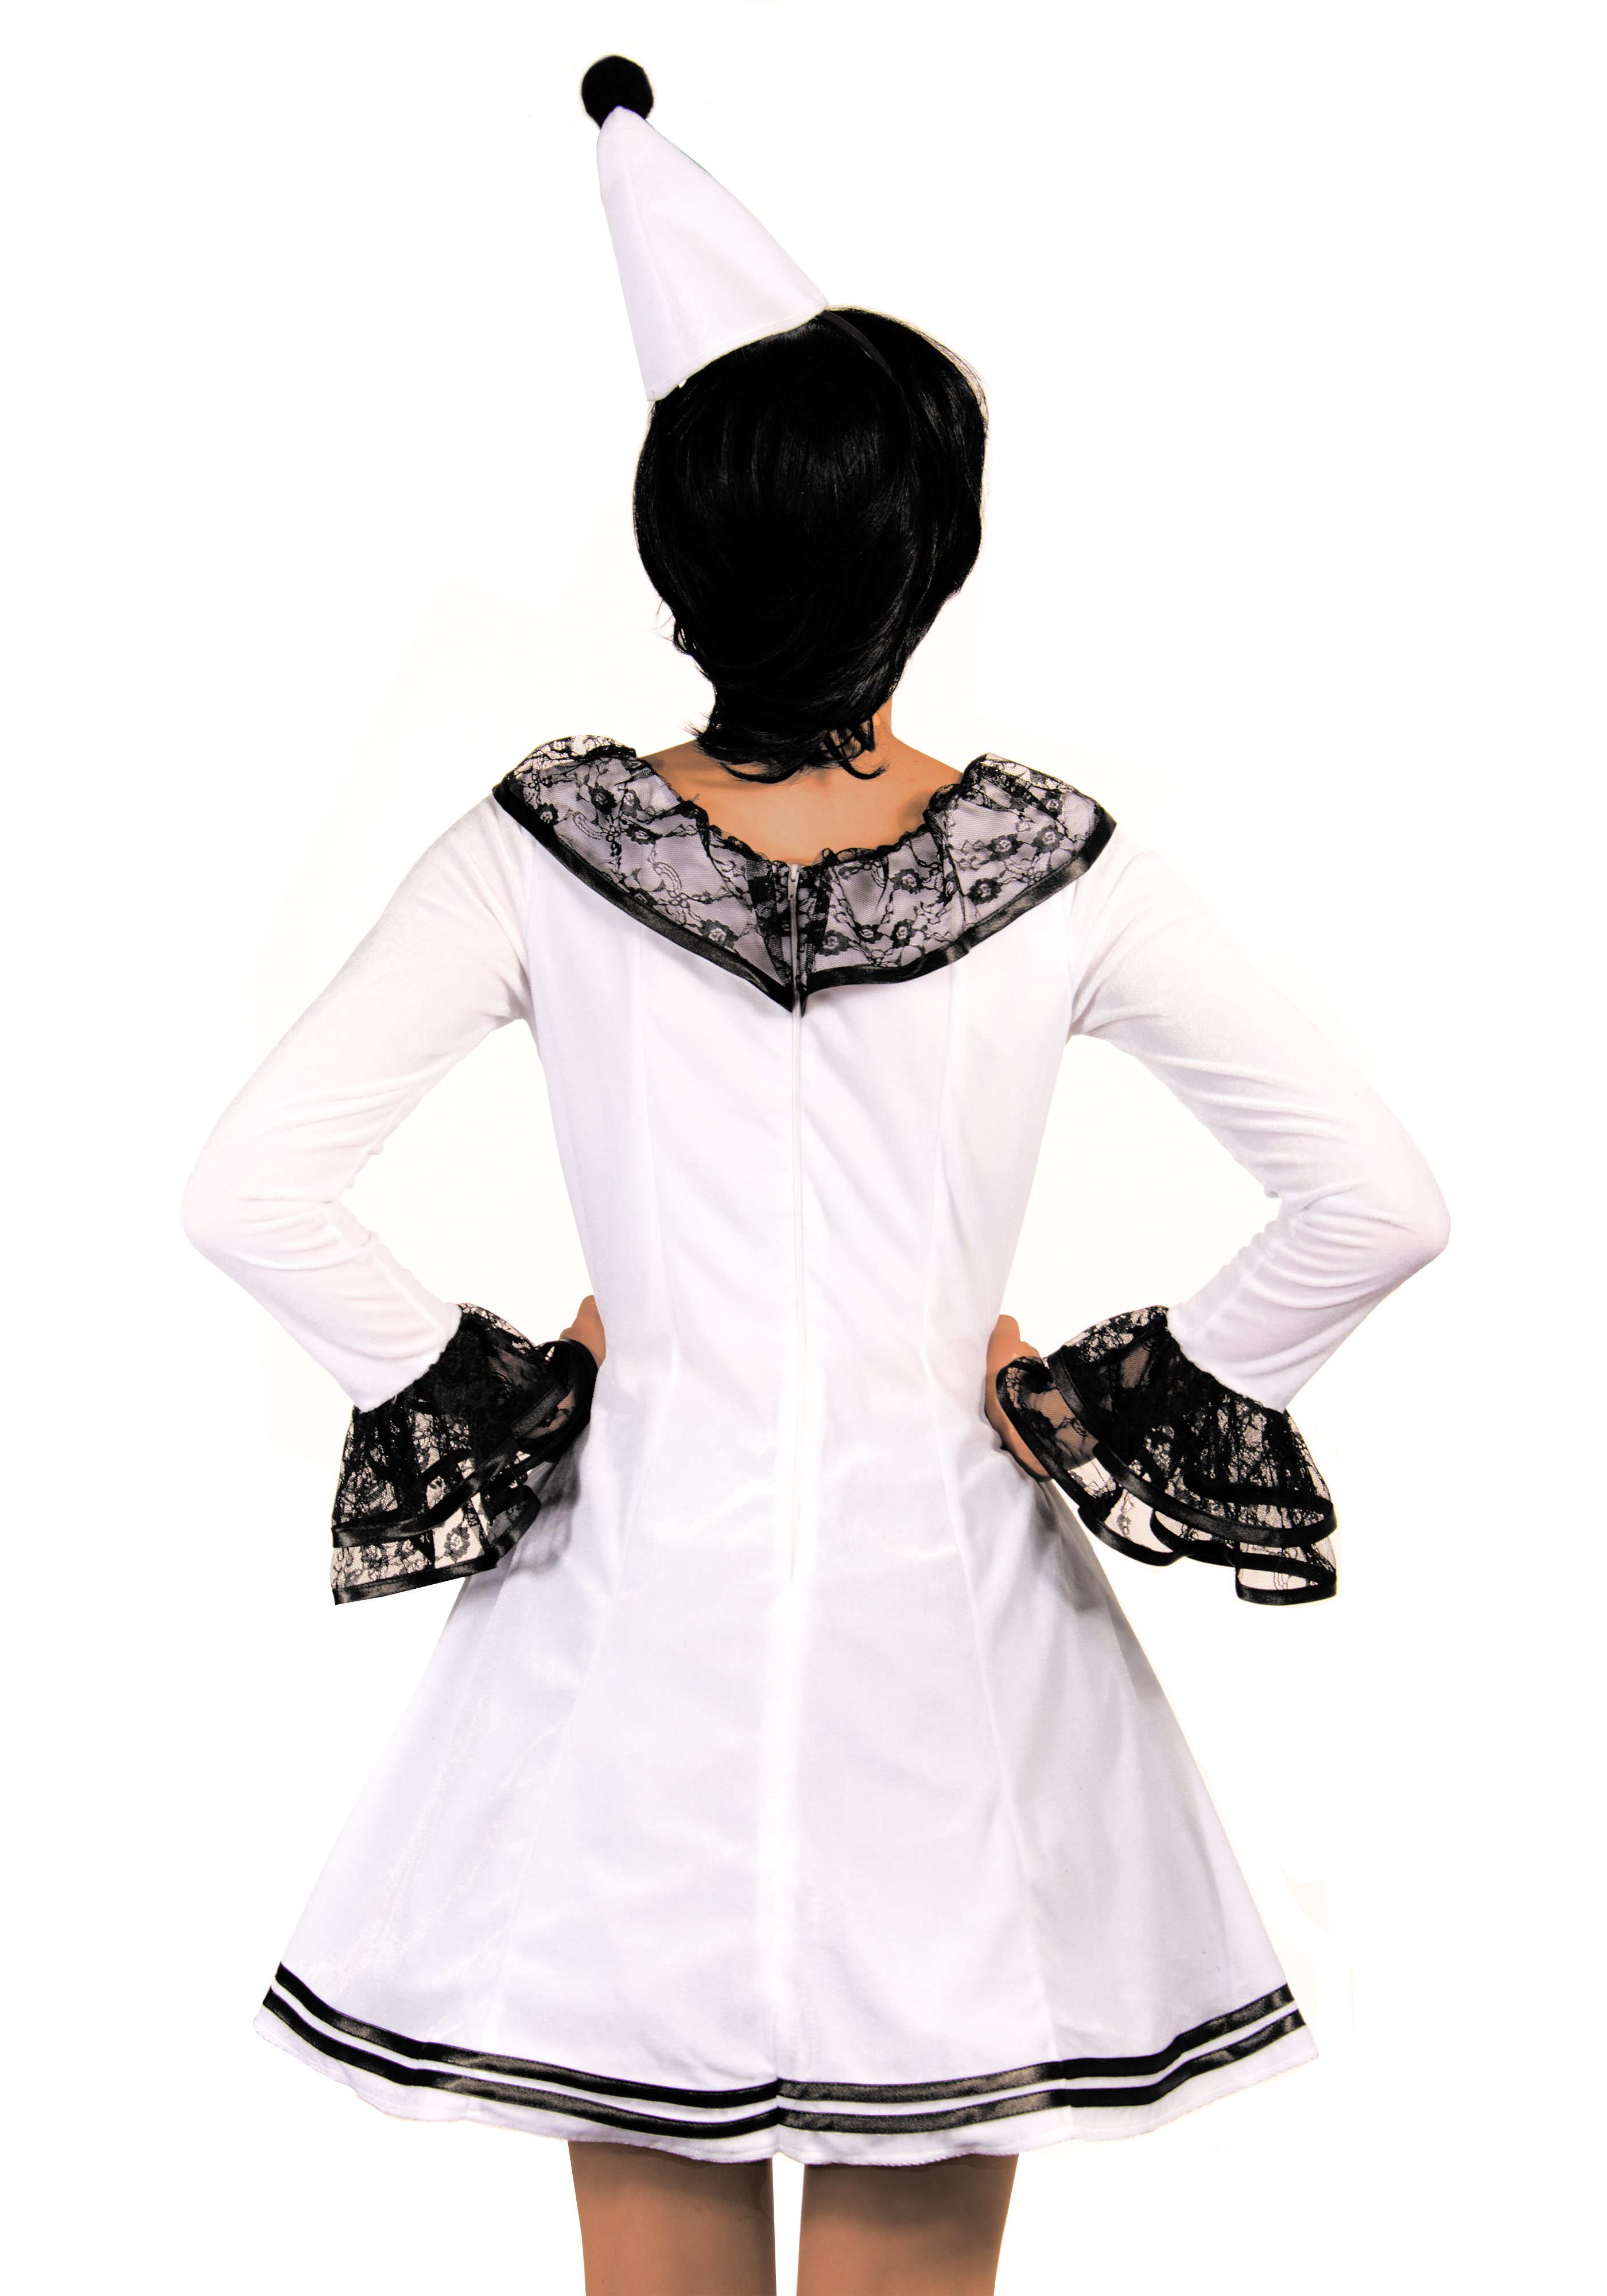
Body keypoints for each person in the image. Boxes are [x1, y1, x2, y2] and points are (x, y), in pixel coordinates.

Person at [181, 59, 1449, 2296]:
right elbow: (1379, 1197)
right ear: (926, 557)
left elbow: (250, 1186)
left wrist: (513, 1386)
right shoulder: (1054, 865)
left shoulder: (540, 851)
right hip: (951, 1662)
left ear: (679, 551)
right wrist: (1092, 1400)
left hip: (625, 1643)